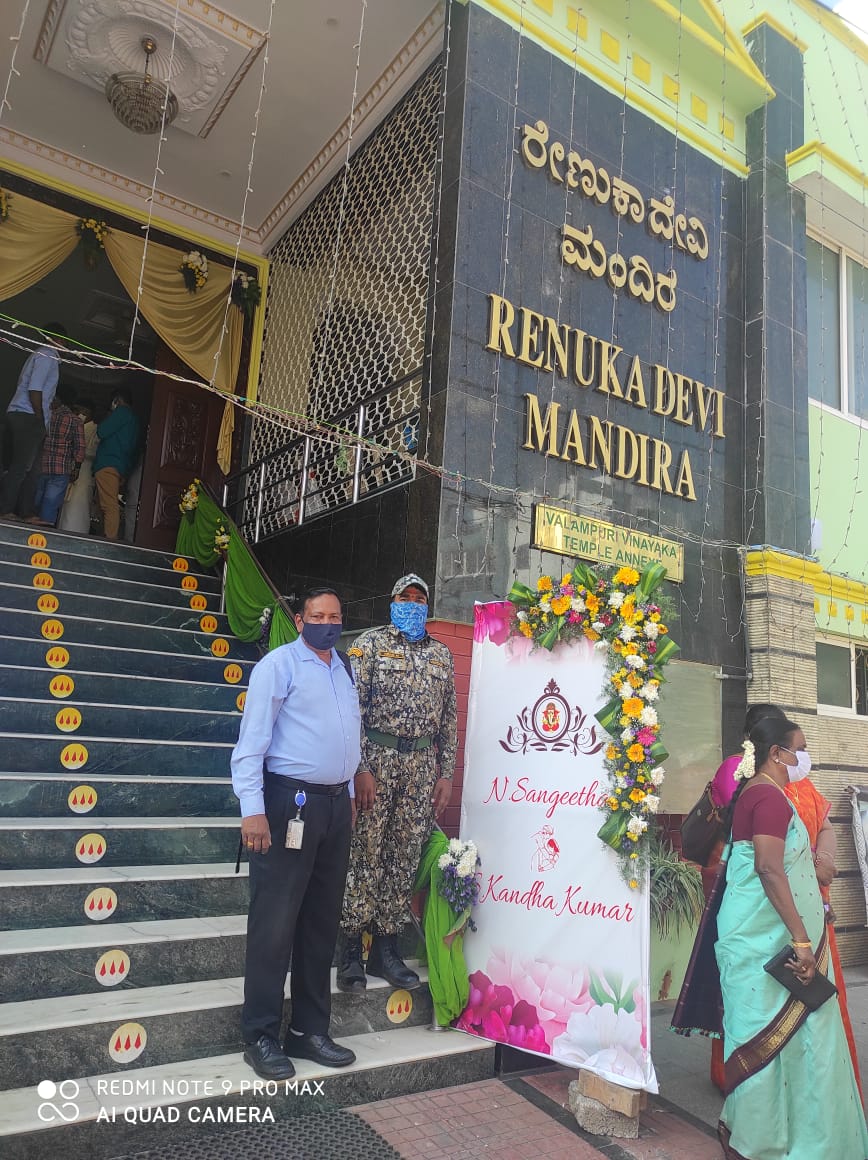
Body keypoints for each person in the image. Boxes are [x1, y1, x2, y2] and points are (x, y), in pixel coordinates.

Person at [713, 715, 867, 1158]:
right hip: (771, 944)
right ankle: (770, 1141)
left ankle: (769, 1133)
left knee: (792, 1042)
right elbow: (767, 868)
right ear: (777, 754)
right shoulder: (769, 798)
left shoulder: (764, 793)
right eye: (799, 748)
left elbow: (792, 867)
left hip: (768, 936)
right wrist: (802, 938)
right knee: (785, 1039)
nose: (805, 756)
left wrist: (817, 908)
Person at [231, 587, 361, 1081]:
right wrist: (253, 810)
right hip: (289, 805)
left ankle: (309, 1030)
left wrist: (350, 782)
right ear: (300, 619)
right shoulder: (278, 666)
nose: (328, 623)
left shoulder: (343, 667)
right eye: (318, 616)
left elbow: (346, 733)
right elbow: (251, 744)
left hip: (334, 807)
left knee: (320, 922)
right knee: (275, 923)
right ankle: (260, 1034)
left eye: (336, 615)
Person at [337, 573, 457, 994]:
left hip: (422, 767)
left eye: (419, 598)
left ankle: (385, 948)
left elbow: (449, 720)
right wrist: (360, 767)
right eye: (404, 597)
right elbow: (351, 711)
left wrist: (445, 774)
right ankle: (350, 947)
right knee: (365, 852)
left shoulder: (442, 655)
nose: (412, 604)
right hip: (377, 760)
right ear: (392, 602)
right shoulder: (368, 646)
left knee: (404, 855)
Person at [0, 325, 66, 519]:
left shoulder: (40, 355)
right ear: (58, 340)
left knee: (32, 471)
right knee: (21, 468)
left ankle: (25, 512)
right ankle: (5, 510)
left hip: (23, 415)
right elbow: (35, 389)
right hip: (27, 416)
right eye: (65, 343)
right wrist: (39, 417)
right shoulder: (48, 355)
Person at [27, 391, 85, 528]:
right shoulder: (75, 421)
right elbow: (80, 447)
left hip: (40, 466)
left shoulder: (45, 415)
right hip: (61, 469)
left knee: (33, 502)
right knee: (50, 505)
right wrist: (76, 468)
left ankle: (27, 533)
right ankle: (45, 537)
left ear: (59, 399)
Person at [93, 389, 139, 540]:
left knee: (108, 505)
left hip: (108, 462)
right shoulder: (134, 420)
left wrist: (107, 418)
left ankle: (109, 539)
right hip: (120, 466)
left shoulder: (122, 412)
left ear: (117, 400)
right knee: (108, 503)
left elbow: (102, 431)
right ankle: (107, 535)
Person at [59, 399, 97, 534]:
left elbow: (94, 452)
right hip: (70, 470)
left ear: (87, 413)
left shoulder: (95, 429)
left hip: (85, 472)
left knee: (79, 508)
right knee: (67, 508)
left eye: (80, 411)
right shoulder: (75, 426)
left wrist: (78, 449)